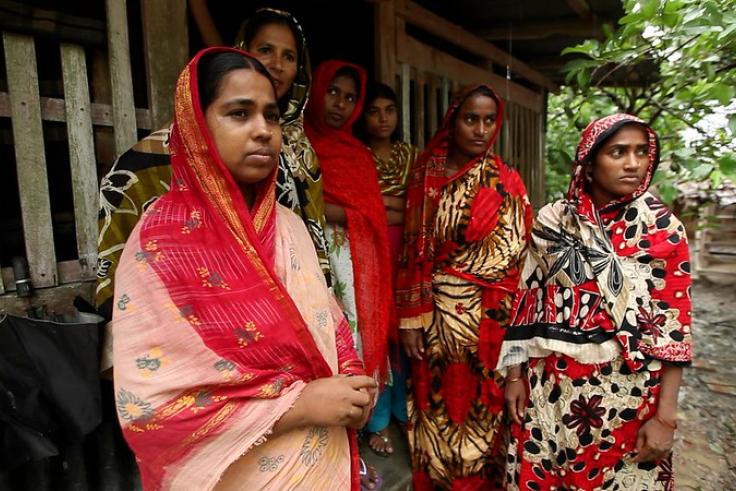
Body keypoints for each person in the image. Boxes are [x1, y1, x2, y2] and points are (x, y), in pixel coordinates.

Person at [111, 47, 376, 491]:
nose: (262, 131)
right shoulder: (163, 241)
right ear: (197, 123)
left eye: (271, 117)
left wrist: (352, 381)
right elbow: (149, 408)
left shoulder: (288, 226)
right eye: (239, 114)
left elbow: (327, 321)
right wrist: (301, 406)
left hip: (319, 464)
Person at [96, 8, 329, 325]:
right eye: (265, 50)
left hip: (293, 324)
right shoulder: (145, 165)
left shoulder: (301, 154)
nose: (277, 64)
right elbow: (125, 294)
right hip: (189, 343)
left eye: (289, 56)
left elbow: (314, 246)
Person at [498, 113, 692, 490]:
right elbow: (527, 301)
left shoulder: (662, 229)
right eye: (618, 152)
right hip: (550, 391)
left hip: (627, 398)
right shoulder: (553, 222)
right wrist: (515, 376)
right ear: (588, 163)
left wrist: (665, 419)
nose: (633, 163)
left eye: (640, 152)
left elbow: (675, 329)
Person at [396, 85, 532, 489]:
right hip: (434, 320)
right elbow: (410, 250)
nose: (480, 129)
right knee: (435, 409)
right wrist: (408, 317)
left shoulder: (507, 181)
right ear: (453, 119)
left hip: (488, 321)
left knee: (483, 416)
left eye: (490, 120)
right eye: (471, 118)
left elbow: (516, 259)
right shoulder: (428, 173)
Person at [304, 61, 393, 385]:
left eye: (350, 97)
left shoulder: (358, 154)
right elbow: (291, 198)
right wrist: (331, 211)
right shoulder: (297, 142)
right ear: (316, 90)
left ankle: (360, 416)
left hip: (353, 264)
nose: (340, 104)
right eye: (332, 92)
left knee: (354, 328)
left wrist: (333, 210)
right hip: (308, 254)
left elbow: (373, 213)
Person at [354, 82, 419, 457]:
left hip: (408, 253)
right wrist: (395, 206)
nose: (383, 119)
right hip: (372, 250)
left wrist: (387, 206)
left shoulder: (412, 156)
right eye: (374, 111)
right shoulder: (357, 155)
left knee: (407, 333)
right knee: (378, 334)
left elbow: (418, 204)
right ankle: (378, 420)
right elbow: (363, 205)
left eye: (389, 110)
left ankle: (402, 410)